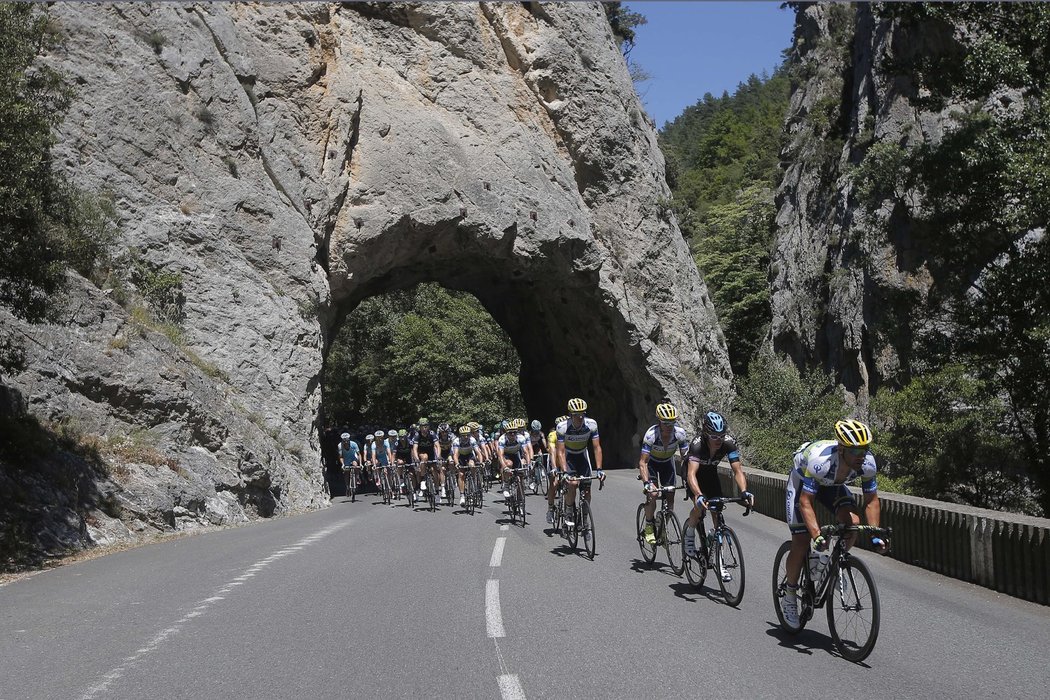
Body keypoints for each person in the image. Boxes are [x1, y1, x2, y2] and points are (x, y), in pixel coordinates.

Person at [778, 419, 888, 628]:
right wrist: (817, 535)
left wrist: (876, 533)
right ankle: (790, 594)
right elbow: (805, 502)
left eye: (865, 449)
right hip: (803, 483)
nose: (862, 454)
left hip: (832, 485)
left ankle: (833, 564)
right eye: (856, 450)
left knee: (852, 522)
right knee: (801, 541)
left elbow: (871, 500)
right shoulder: (820, 462)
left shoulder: (868, 463)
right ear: (841, 449)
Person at [683, 411, 754, 580]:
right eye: (714, 436)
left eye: (721, 436)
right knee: (699, 507)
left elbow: (737, 470)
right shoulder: (697, 444)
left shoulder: (728, 443)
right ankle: (690, 533)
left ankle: (720, 561)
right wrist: (699, 495)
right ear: (706, 434)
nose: (718, 440)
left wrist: (744, 492)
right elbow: (691, 474)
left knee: (717, 511)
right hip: (694, 475)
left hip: (711, 475)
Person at [638, 403, 690, 545]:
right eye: (666, 422)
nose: (669, 426)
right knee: (653, 495)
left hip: (668, 463)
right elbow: (643, 462)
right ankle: (649, 526)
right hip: (652, 464)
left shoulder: (679, 433)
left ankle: (663, 528)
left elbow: (686, 459)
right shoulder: (651, 435)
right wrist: (647, 484)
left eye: (672, 422)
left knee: (671, 495)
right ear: (659, 421)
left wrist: (688, 479)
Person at [552, 398, 604, 527]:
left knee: (587, 489)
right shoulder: (562, 427)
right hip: (569, 456)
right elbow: (561, 452)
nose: (580, 417)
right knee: (573, 483)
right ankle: (569, 509)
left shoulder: (591, 424)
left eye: (583, 414)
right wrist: (564, 471)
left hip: (582, 455)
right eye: (577, 415)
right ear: (571, 415)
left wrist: (599, 469)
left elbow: (597, 447)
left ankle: (584, 518)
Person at [499, 418, 531, 500]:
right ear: (506, 433)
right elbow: (500, 455)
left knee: (520, 477)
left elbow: (526, 452)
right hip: (506, 455)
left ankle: (520, 501)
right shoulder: (502, 439)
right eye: (510, 433)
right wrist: (504, 467)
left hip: (516, 454)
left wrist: (529, 464)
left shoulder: (521, 438)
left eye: (514, 432)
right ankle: (506, 485)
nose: (513, 434)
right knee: (509, 464)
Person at [453, 425, 482, 506]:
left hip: (469, 455)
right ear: (460, 435)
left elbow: (478, 452)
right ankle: (462, 495)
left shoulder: (472, 440)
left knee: (472, 465)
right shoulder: (456, 441)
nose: (466, 437)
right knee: (461, 474)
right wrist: (457, 464)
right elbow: (455, 455)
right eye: (463, 435)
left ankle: (473, 481)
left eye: (468, 434)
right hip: (460, 456)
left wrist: (481, 462)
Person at [338, 432, 362, 497]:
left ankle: (357, 476)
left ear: (349, 440)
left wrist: (361, 464)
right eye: (344, 441)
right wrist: (343, 464)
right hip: (346, 459)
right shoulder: (340, 445)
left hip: (353, 457)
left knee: (355, 465)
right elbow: (340, 456)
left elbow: (359, 454)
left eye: (347, 441)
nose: (346, 443)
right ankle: (347, 487)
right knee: (346, 472)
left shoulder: (354, 444)